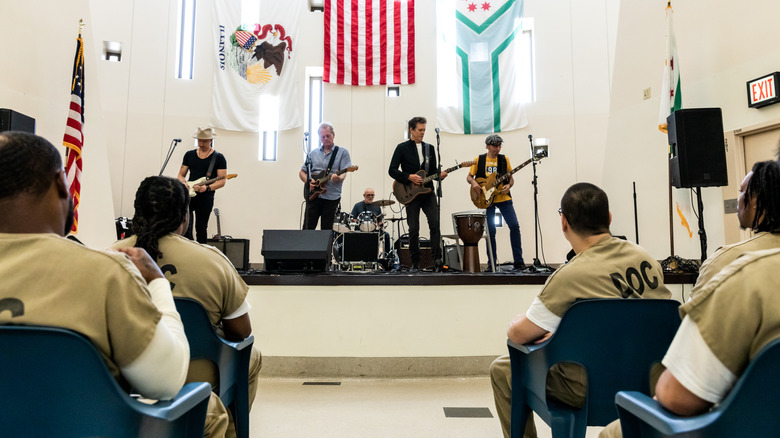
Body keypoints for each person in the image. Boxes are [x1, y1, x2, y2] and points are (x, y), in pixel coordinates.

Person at [0, 132, 229, 433]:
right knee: (210, 410)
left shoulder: (110, 256)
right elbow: (166, 381)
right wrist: (157, 283)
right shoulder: (106, 272)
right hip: (86, 427)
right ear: (61, 183)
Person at [490, 182, 672, 438]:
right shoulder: (646, 259)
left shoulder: (569, 276)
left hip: (585, 390)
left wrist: (523, 324)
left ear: (564, 223)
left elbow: (519, 335)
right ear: (609, 218)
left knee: (503, 369)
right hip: (651, 382)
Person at [112, 175, 262, 438]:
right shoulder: (213, 260)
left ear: (137, 212)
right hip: (198, 376)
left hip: (125, 380)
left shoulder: (110, 256)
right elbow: (241, 332)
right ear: (185, 217)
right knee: (252, 355)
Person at [599, 247, 780, 437]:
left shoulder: (751, 277)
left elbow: (676, 398)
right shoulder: (645, 258)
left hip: (739, 428)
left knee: (612, 433)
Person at [687, 160, 780, 300]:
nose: (738, 200)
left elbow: (694, 311)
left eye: (742, 192)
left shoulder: (727, 259)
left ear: (757, 202)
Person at [388, 116, 447, 271]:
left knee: (435, 224)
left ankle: (437, 260)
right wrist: (408, 177)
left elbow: (432, 171)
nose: (422, 133)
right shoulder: (402, 148)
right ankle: (415, 262)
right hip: (411, 194)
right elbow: (392, 170)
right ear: (411, 130)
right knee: (413, 229)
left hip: (428, 192)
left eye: (424, 130)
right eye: (420, 130)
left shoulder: (430, 148)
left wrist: (440, 175)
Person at [466, 134, 525, 271]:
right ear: (487, 146)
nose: (498, 149)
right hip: (486, 200)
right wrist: (474, 183)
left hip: (503, 198)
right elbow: (469, 177)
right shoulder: (478, 159)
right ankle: (491, 263)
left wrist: (509, 186)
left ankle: (519, 261)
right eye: (495, 146)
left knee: (514, 226)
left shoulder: (504, 159)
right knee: (490, 231)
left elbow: (511, 178)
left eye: (499, 146)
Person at [178, 127, 228, 244]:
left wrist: (207, 188)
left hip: (206, 197)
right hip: (189, 194)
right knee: (186, 228)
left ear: (211, 140)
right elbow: (180, 175)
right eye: (199, 140)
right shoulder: (189, 155)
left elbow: (222, 181)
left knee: (201, 228)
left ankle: (201, 250)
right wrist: (184, 183)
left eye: (204, 141)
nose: (201, 144)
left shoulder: (219, 158)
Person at [299, 122, 352, 231]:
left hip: (331, 197)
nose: (325, 138)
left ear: (333, 135)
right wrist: (308, 182)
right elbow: (302, 172)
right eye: (323, 136)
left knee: (326, 230)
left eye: (328, 136)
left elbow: (344, 172)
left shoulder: (342, 152)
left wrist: (339, 178)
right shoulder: (313, 153)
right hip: (313, 196)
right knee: (307, 228)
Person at [351, 187, 391, 252]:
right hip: (360, 230)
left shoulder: (377, 206)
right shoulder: (357, 205)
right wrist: (359, 221)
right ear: (364, 195)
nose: (370, 197)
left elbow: (379, 221)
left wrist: (380, 225)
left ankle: (387, 255)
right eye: (368, 195)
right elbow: (352, 219)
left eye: (372, 195)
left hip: (373, 230)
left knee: (386, 235)